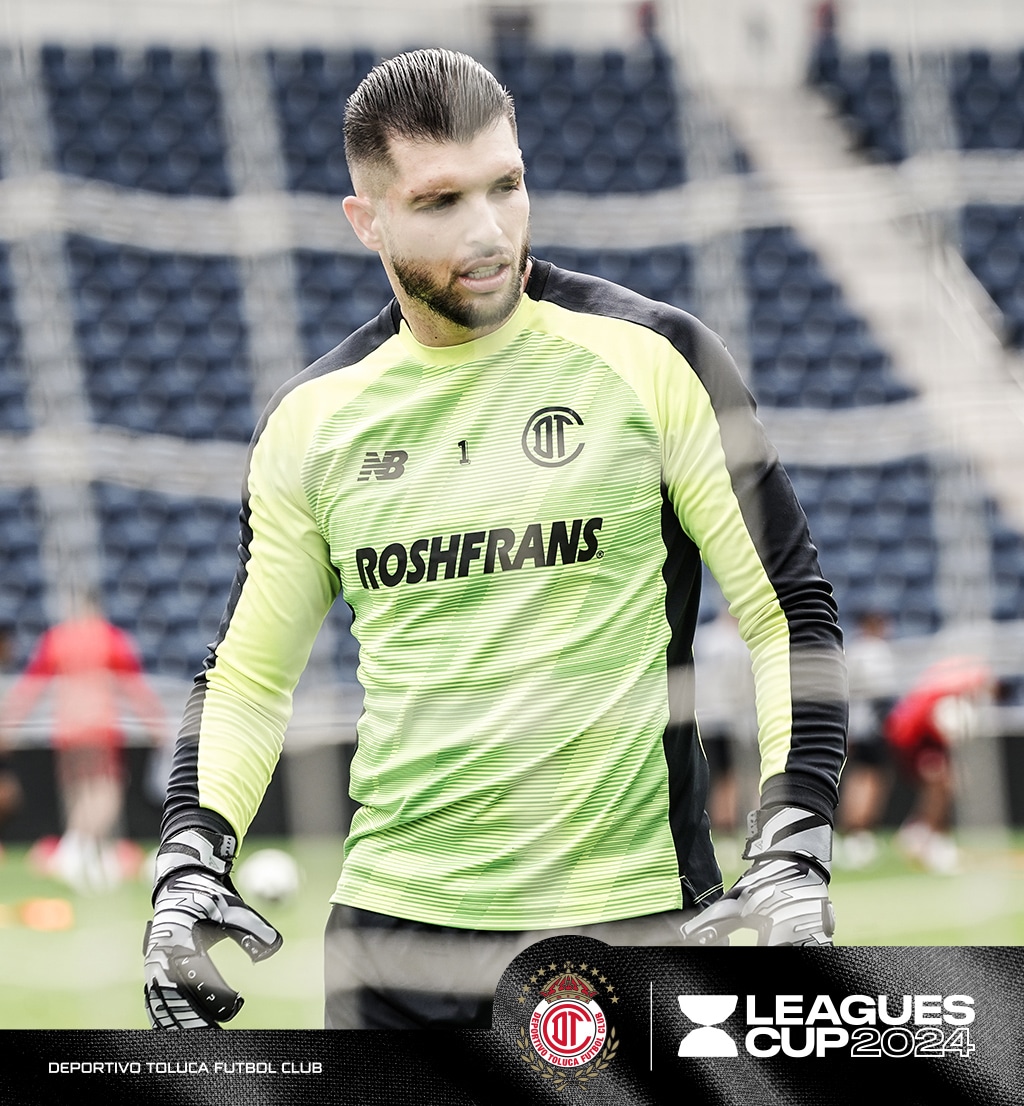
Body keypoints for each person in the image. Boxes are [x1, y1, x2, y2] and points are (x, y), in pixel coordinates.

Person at [143, 48, 847, 1031]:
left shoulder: (657, 357)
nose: (487, 230)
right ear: (368, 220)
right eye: (439, 202)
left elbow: (786, 617)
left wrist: (792, 837)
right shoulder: (315, 419)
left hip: (629, 924)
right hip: (390, 942)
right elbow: (252, 679)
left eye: (506, 185)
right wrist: (189, 855)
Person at [0, 591, 169, 891]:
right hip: (101, 728)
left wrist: (9, 725)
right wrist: (155, 725)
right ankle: (75, 850)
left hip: (67, 729)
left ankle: (77, 851)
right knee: (105, 791)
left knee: (78, 793)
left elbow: (30, 687)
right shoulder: (110, 637)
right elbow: (135, 688)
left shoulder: (56, 638)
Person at [884, 655, 993, 875]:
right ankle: (925, 838)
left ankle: (922, 835)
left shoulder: (944, 688)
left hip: (913, 736)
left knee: (944, 784)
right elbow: (941, 727)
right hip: (912, 738)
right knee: (942, 784)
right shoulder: (949, 695)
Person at [836, 611, 897, 868]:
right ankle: (859, 831)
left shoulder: (853, 649)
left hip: (853, 724)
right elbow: (882, 691)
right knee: (871, 779)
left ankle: (850, 832)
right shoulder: (876, 650)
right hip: (872, 725)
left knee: (856, 777)